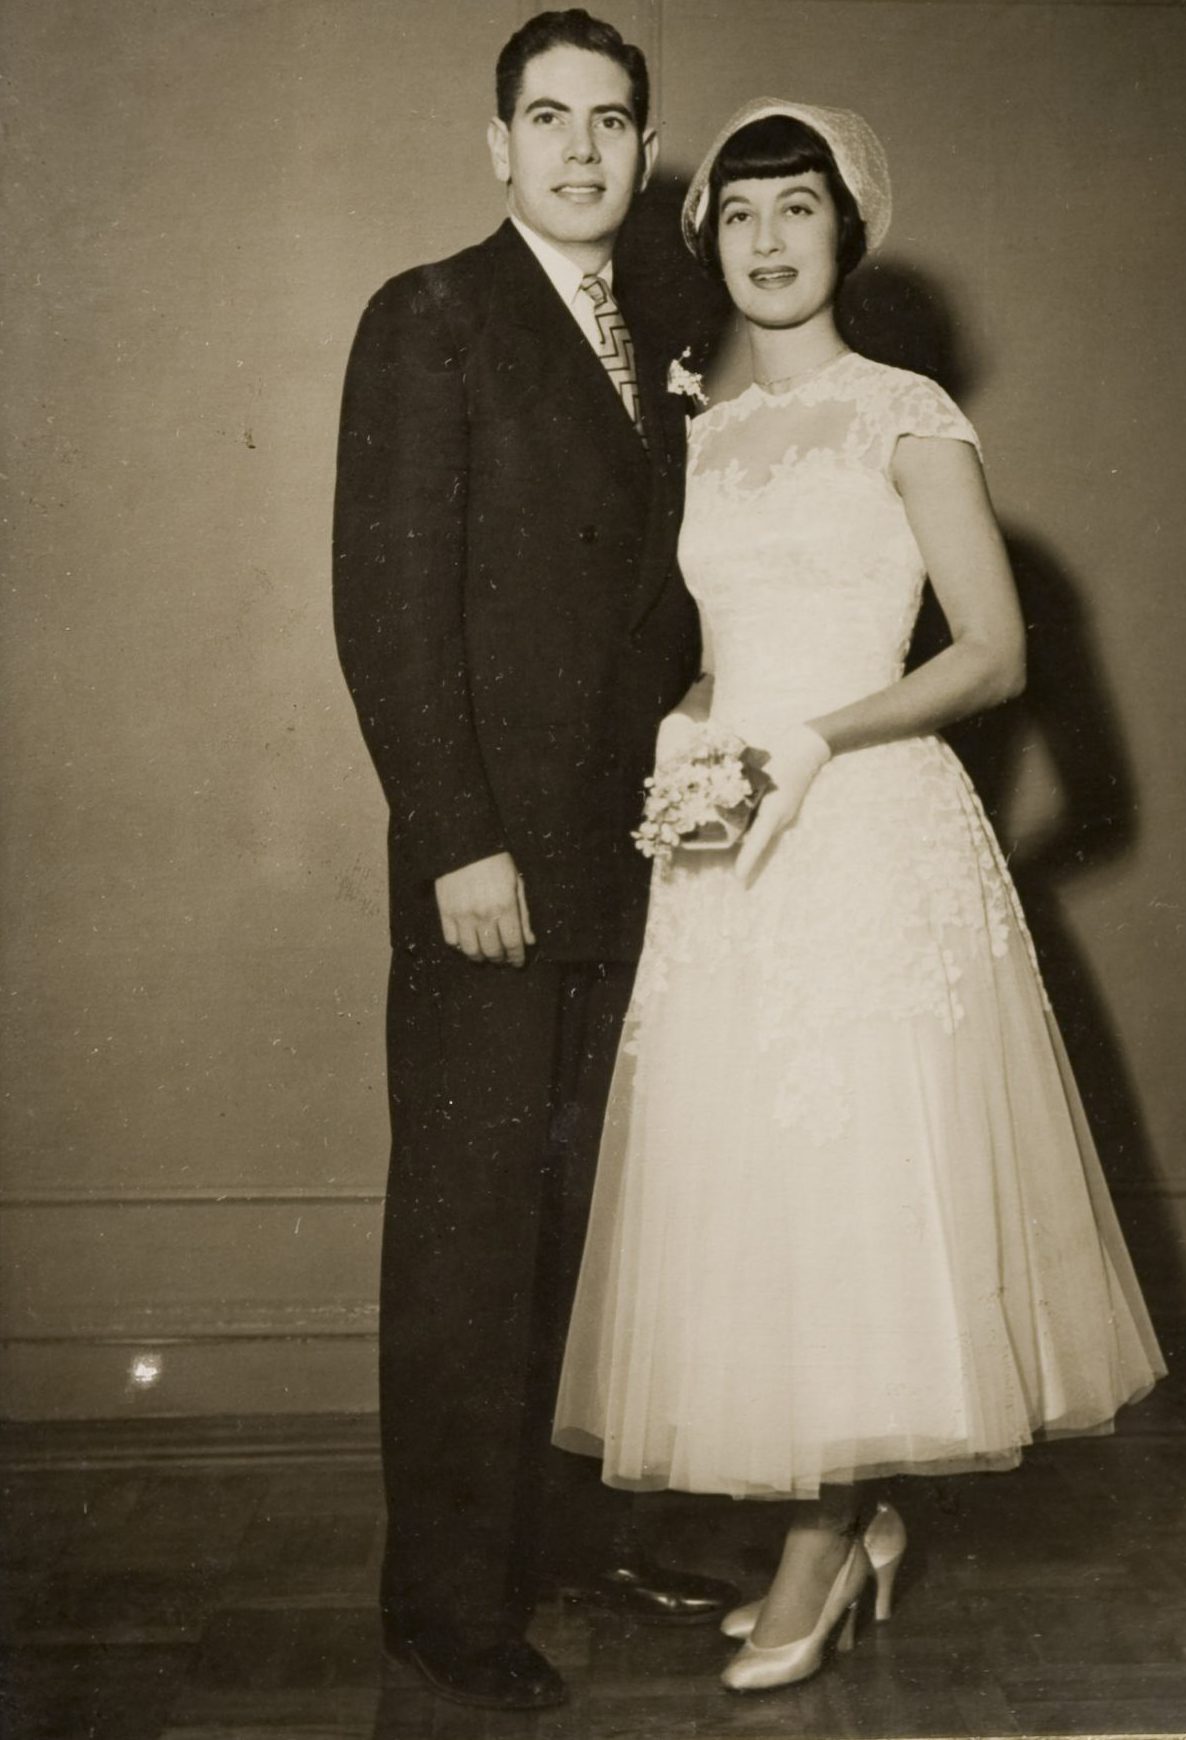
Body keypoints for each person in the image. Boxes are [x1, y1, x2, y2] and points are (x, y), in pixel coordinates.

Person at [554, 99, 1167, 1695]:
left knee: (855, 1186)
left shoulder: (909, 416)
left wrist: (814, 739)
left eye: (797, 212)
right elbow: (706, 648)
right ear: (714, 242)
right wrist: (694, 752)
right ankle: (850, 1521)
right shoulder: (695, 424)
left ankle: (822, 1552)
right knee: (753, 1190)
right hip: (730, 844)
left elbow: (994, 653)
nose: (766, 240)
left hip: (871, 825)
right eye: (740, 215)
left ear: (846, 235)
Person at [332, 10, 736, 1713]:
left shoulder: (659, 334)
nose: (581, 150)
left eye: (612, 121)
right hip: (494, 870)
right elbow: (388, 610)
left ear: (645, 153)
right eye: (548, 118)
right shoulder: (431, 316)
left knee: (587, 1220)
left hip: (629, 862)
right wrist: (458, 841)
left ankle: (558, 1539)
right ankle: (442, 1596)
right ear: (496, 145)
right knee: (471, 1231)